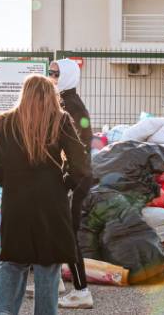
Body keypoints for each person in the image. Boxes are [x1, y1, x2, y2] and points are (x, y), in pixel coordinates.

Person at [0, 75, 89, 315]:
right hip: (51, 206)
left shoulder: (4, 122)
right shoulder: (60, 121)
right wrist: (65, 184)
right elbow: (80, 166)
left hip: (15, 205)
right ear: (52, 96)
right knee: (48, 268)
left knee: (11, 264)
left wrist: (9, 182)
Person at [48, 59, 93, 309]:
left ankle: (82, 290)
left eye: (56, 73)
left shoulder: (70, 105)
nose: (51, 76)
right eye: (50, 72)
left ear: (67, 76)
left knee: (70, 234)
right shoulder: (64, 101)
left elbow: (80, 146)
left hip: (77, 178)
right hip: (74, 175)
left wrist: (68, 177)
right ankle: (55, 281)